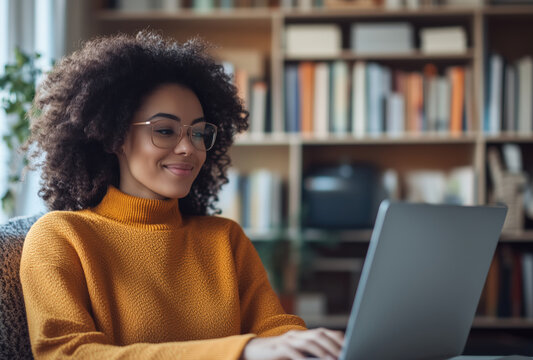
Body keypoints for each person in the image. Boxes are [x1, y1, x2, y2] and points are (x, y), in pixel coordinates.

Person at [20, 30, 344, 360]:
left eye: (199, 133)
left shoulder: (224, 239)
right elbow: (67, 354)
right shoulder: (61, 236)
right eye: (164, 130)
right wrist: (241, 351)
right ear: (113, 137)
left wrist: (310, 346)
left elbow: (275, 330)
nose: (189, 148)